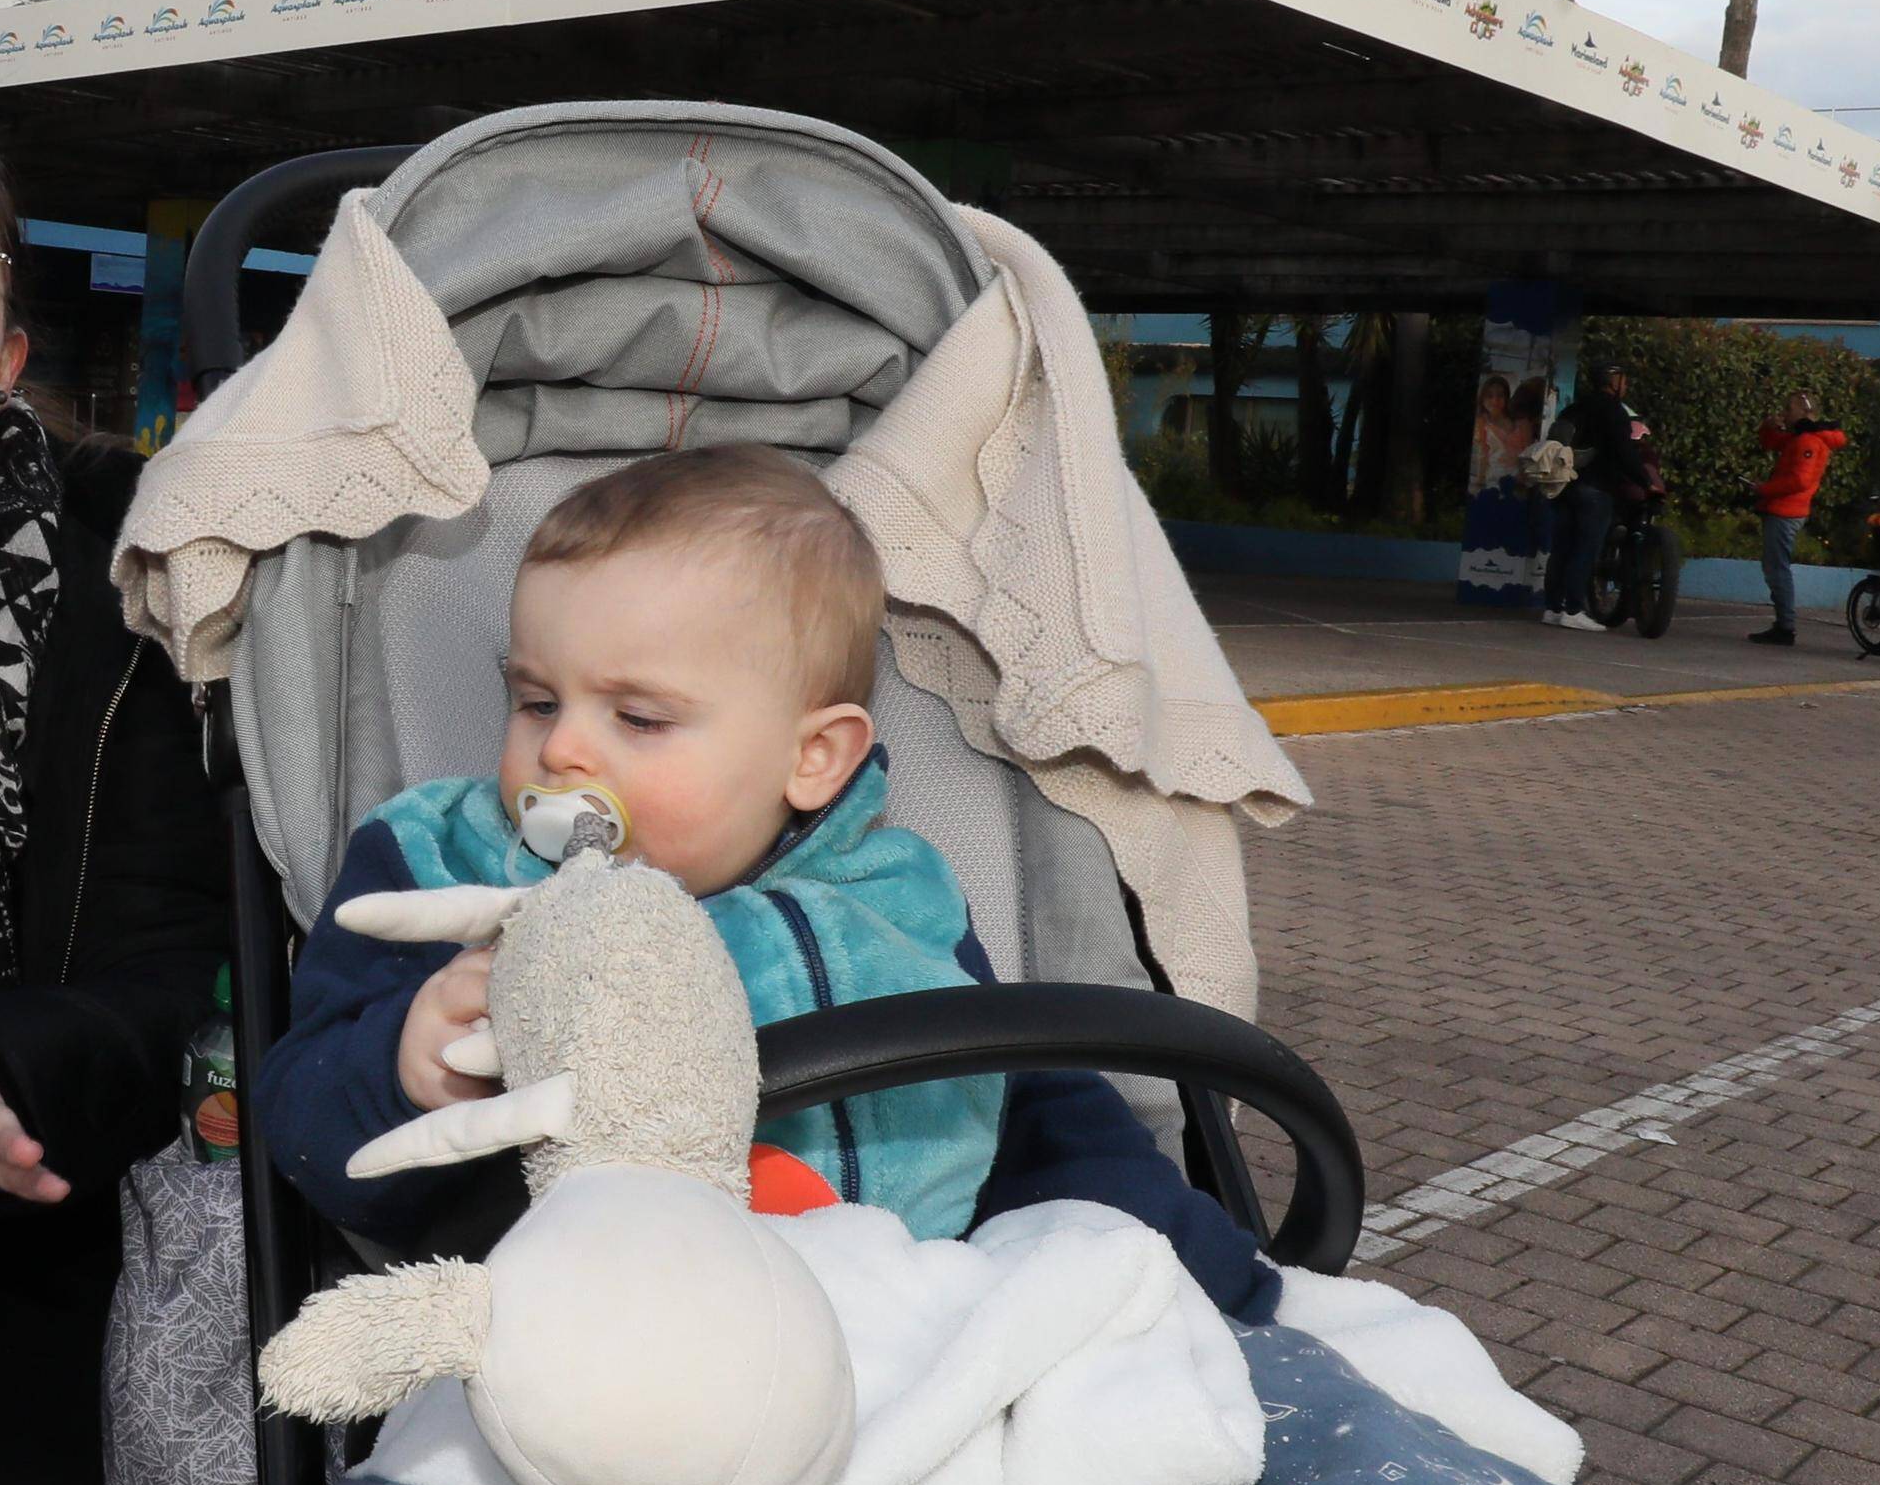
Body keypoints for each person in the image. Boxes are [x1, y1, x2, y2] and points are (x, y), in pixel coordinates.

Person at [257, 444, 1276, 1321]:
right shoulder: (437, 868)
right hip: (578, 1352)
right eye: (535, 700)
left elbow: (1033, 1108)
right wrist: (406, 1066)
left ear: (812, 758)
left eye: (638, 718)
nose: (561, 749)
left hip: (896, 1339)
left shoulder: (891, 905)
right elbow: (302, 1120)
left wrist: (1213, 1288)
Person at [1542, 362, 1654, 634]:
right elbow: (1624, 452)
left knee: (1562, 548)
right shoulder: (1613, 411)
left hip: (1565, 485)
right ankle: (1573, 610)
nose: (1626, 386)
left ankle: (1553, 608)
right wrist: (1645, 481)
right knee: (1585, 548)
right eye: (1623, 381)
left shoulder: (1574, 408)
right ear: (1613, 382)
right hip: (1596, 488)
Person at [1750, 400, 1844, 646]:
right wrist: (1768, 427)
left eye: (1789, 409)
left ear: (1805, 412)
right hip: (1787, 509)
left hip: (1786, 511)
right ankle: (1784, 624)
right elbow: (1773, 443)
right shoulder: (1802, 437)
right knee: (1776, 566)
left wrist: (1765, 489)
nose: (1784, 414)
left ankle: (1785, 626)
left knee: (1777, 568)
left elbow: (1799, 480)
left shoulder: (1807, 441)